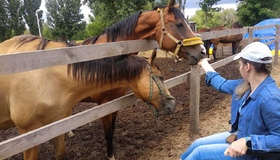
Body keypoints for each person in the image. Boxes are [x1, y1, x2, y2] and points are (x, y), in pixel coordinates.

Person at [180, 42, 280, 160]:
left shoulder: (270, 97)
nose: (239, 68)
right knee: (197, 144)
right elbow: (221, 84)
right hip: (239, 135)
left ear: (247, 67)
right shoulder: (245, 85)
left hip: (252, 153)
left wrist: (248, 141)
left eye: (239, 65)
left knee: (199, 153)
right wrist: (204, 64)